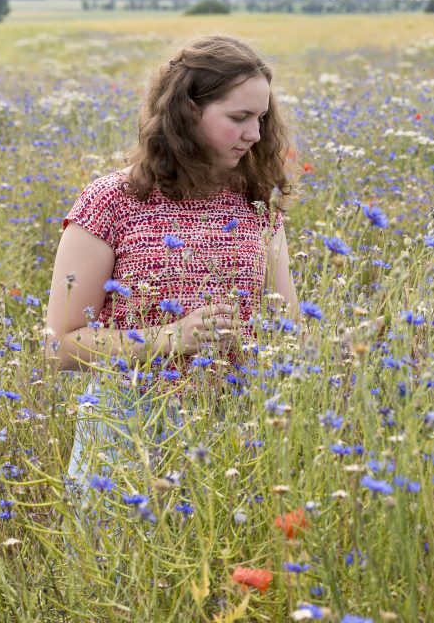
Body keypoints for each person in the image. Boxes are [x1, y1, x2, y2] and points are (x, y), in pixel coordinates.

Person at [44, 34, 298, 485]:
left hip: (238, 428)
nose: (255, 134)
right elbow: (58, 346)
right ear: (188, 112)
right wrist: (168, 338)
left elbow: (288, 327)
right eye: (238, 117)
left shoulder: (257, 202)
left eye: (260, 118)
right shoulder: (111, 202)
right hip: (128, 427)